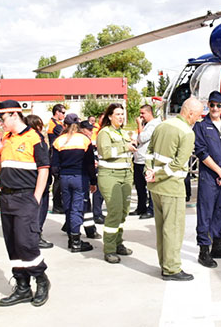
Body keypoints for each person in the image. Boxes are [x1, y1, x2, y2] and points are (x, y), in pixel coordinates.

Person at [0, 100, 51, 307]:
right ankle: (23, 287)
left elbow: (44, 169)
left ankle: (41, 279)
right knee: (13, 245)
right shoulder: (4, 139)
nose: (0, 123)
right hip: (6, 197)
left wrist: (36, 197)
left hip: (26, 197)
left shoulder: (34, 138)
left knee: (26, 242)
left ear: (15, 115)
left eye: (2, 118)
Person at [145, 97, 203, 281]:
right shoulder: (187, 133)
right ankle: (172, 268)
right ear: (190, 113)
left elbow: (149, 152)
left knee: (161, 227)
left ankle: (164, 263)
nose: (199, 119)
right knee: (173, 229)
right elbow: (178, 163)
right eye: (198, 115)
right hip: (172, 187)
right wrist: (160, 174)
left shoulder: (162, 125)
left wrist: (150, 171)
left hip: (155, 187)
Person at [194, 91, 221, 268]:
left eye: (218, 105)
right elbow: (201, 152)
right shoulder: (201, 127)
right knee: (205, 213)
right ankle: (204, 250)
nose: (214, 108)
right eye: (211, 105)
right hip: (209, 177)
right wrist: (220, 172)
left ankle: (218, 245)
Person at [96, 103, 136, 264]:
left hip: (126, 175)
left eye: (122, 114)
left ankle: (118, 243)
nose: (121, 117)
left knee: (123, 211)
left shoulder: (122, 132)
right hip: (110, 176)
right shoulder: (104, 133)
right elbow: (105, 152)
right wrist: (124, 147)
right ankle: (110, 249)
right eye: (117, 114)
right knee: (114, 211)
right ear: (110, 116)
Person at [52, 113, 97, 252]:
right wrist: (93, 181)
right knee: (77, 208)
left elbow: (54, 166)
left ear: (64, 125)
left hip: (65, 178)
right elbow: (90, 164)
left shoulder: (58, 141)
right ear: (78, 125)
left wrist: (60, 176)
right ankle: (76, 241)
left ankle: (71, 238)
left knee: (68, 207)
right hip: (80, 177)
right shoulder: (84, 140)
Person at [24, 115, 54, 249]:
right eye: (40, 125)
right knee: (39, 209)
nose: (42, 128)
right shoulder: (38, 140)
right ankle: (36, 235)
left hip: (28, 180)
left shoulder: (23, 139)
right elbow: (44, 162)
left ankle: (31, 234)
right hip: (39, 180)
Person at [132, 104, 160, 219]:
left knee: (149, 187)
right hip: (138, 159)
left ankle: (151, 209)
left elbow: (142, 138)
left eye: (143, 113)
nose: (141, 116)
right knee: (139, 186)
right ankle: (141, 207)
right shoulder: (147, 125)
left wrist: (139, 124)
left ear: (149, 113)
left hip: (146, 160)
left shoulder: (154, 125)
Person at [47, 104, 66, 214]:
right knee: (58, 180)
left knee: (59, 180)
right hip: (55, 155)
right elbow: (65, 135)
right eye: (62, 112)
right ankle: (57, 205)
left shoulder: (58, 123)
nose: (64, 115)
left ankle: (59, 204)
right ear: (57, 112)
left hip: (58, 154)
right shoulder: (54, 124)